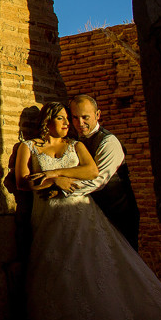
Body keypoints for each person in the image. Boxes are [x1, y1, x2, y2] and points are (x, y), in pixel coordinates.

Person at [15, 101, 161, 320]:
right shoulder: (27, 146)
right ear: (47, 121)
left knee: (99, 268)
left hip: (87, 213)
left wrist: (55, 176)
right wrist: (54, 180)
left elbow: (94, 174)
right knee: (59, 272)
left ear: (97, 115)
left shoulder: (85, 145)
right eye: (65, 118)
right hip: (48, 217)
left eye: (75, 118)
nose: (71, 123)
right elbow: (22, 181)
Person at [56, 94, 141, 250]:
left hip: (118, 214)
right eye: (75, 117)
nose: (80, 123)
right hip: (92, 215)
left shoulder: (109, 142)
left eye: (85, 117)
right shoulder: (75, 141)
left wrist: (62, 189)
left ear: (97, 115)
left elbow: (98, 180)